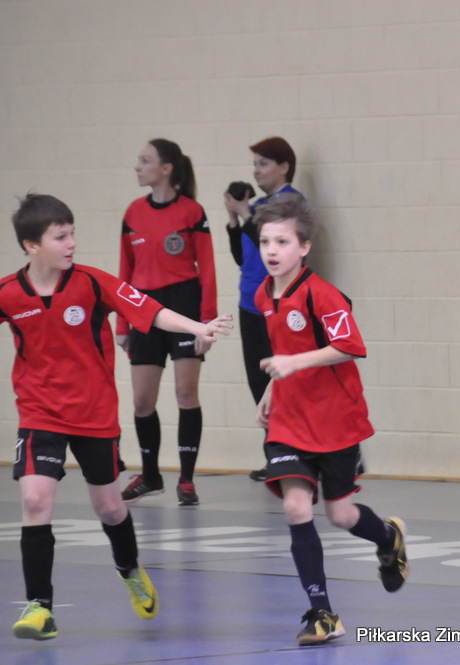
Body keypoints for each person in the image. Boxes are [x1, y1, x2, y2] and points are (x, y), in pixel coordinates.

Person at [3, 194, 231, 640]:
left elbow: (151, 310)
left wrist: (197, 326)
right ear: (32, 246)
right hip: (39, 413)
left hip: (94, 415)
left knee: (109, 507)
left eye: (72, 233)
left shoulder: (92, 283)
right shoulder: (9, 293)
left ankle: (129, 568)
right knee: (35, 501)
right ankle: (40, 608)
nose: (72, 243)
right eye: (60, 236)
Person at [252, 195, 408, 646]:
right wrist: (270, 390)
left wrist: (293, 363)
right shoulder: (263, 294)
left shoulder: (322, 293)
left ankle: (387, 537)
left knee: (340, 515)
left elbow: (349, 346)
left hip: (336, 420)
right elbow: (284, 350)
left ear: (304, 247)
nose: (272, 250)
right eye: (265, 241)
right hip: (289, 421)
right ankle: (322, 613)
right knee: (296, 507)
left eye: (282, 241)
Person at [116, 139, 218, 506]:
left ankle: (186, 479)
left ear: (166, 168)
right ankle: (151, 476)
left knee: (185, 393)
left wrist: (206, 322)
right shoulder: (133, 212)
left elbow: (207, 268)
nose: (138, 167)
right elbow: (124, 272)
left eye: (145, 160)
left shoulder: (192, 211)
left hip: (184, 302)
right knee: (142, 400)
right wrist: (122, 325)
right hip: (143, 307)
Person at [223, 137, 304, 481]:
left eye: (264, 163)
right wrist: (234, 219)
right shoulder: (257, 207)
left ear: (284, 166)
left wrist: (247, 215)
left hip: (279, 303)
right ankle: (276, 456)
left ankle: (295, 455)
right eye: (254, 164)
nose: (256, 171)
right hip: (250, 302)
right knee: (259, 382)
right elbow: (243, 255)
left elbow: (277, 244)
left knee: (282, 383)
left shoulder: (291, 202)